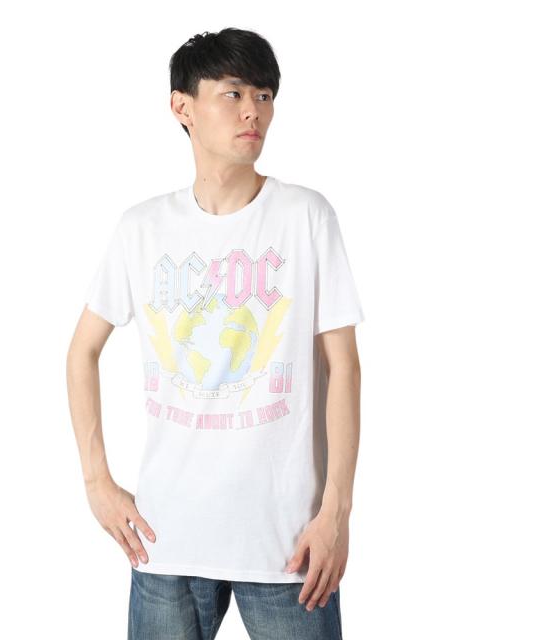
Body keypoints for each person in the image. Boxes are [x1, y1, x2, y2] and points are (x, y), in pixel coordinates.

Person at [66, 27, 364, 640]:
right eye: (233, 93)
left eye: (264, 95)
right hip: (167, 543)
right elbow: (82, 351)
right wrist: (97, 482)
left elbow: (344, 368)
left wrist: (336, 510)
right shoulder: (142, 228)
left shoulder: (306, 217)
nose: (253, 110)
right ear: (183, 106)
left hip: (288, 548)